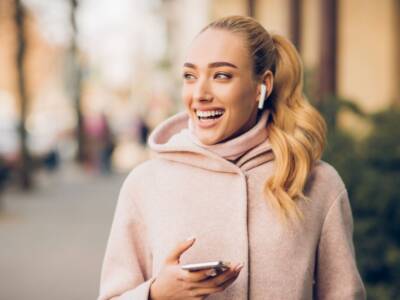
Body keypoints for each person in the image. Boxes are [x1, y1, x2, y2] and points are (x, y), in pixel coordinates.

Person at [98, 16, 366, 300]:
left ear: (262, 85)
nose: (199, 94)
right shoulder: (145, 183)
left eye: (221, 76)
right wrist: (156, 294)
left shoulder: (316, 182)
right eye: (190, 76)